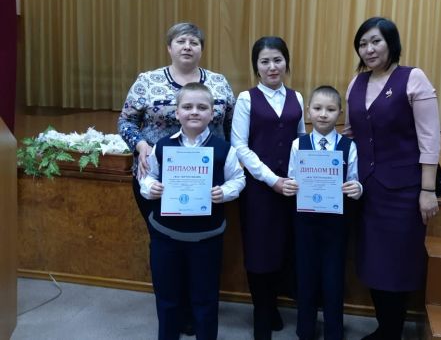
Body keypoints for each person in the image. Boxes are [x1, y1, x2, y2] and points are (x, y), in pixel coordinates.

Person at [118, 22, 235, 335]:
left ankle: (197, 312)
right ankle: (175, 311)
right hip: (156, 179)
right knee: (166, 244)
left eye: (194, 42)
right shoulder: (148, 81)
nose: (187, 46)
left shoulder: (219, 83)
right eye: (181, 41)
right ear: (169, 47)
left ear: (201, 49)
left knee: (200, 248)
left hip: (207, 183)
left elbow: (231, 126)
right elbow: (126, 122)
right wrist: (140, 145)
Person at [344, 17, 441, 340]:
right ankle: (384, 328)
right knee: (373, 261)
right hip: (365, 189)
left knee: (396, 264)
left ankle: (391, 331)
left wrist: (427, 189)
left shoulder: (413, 78)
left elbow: (429, 139)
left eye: (376, 41)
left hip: (402, 189)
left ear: (391, 43)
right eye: (362, 44)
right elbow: (353, 133)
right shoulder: (356, 83)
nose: (369, 49)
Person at [139, 82, 245, 340]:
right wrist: (151, 188)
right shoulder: (162, 146)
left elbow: (238, 179)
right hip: (166, 236)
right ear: (177, 113)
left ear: (212, 113)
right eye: (187, 107)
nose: (194, 112)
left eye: (201, 107)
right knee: (167, 298)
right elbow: (148, 176)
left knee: (205, 299)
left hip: (206, 238)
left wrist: (225, 192)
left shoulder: (224, 149)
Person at [231, 36, 306, 340]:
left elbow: (301, 141)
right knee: (259, 250)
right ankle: (261, 311)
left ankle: (273, 305)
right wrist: (271, 179)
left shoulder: (298, 98)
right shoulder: (246, 99)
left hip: (290, 188)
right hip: (259, 189)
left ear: (286, 63)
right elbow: (240, 146)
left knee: (283, 248)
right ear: (256, 66)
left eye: (277, 60)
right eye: (264, 61)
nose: (272, 66)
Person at [282, 85, 362, 340]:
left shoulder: (349, 146)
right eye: (317, 108)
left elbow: (355, 179)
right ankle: (305, 329)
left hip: (336, 223)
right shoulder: (299, 144)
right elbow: (292, 177)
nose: (323, 114)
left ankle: (333, 331)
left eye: (330, 109)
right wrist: (290, 186)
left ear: (340, 113)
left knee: (333, 277)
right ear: (308, 111)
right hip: (305, 221)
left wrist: (357, 188)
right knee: (306, 275)